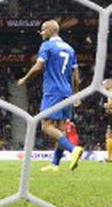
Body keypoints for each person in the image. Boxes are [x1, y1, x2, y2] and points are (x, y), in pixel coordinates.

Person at [16, 19, 83, 171]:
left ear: (51, 30)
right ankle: (55, 164)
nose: (41, 32)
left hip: (53, 91)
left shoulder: (47, 46)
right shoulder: (70, 49)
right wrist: (76, 94)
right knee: (60, 128)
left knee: (46, 126)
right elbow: (76, 75)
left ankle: (73, 149)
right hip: (67, 92)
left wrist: (25, 79)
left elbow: (39, 66)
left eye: (43, 29)